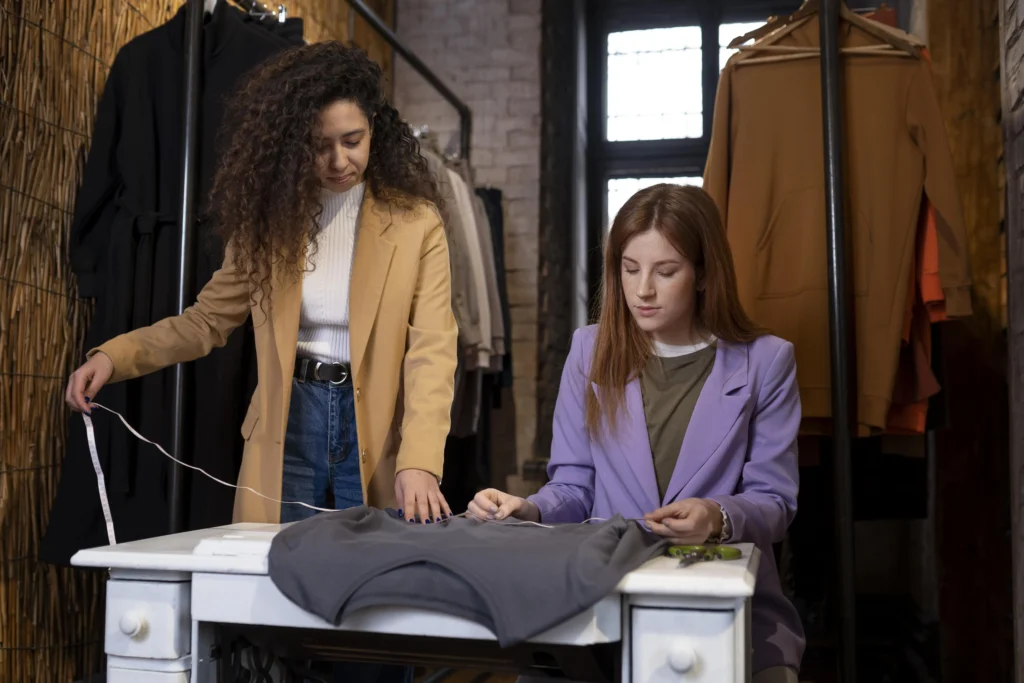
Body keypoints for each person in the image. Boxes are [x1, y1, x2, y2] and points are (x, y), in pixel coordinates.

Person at [65, 41, 456, 683]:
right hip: (287, 431)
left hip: (376, 431)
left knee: (378, 614)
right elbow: (204, 323)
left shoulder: (417, 223)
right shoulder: (270, 223)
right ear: (291, 144)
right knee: (285, 614)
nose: (338, 160)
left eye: (352, 140)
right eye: (319, 144)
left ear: (376, 133)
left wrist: (419, 459)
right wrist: (116, 355)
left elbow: (434, 351)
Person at [468, 184, 805, 682]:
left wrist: (717, 516)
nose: (642, 289)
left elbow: (775, 502)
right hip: (599, 595)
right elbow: (573, 487)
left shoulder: (765, 362)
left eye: (665, 272)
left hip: (723, 597)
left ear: (705, 275)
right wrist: (529, 508)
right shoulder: (589, 350)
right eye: (630, 269)